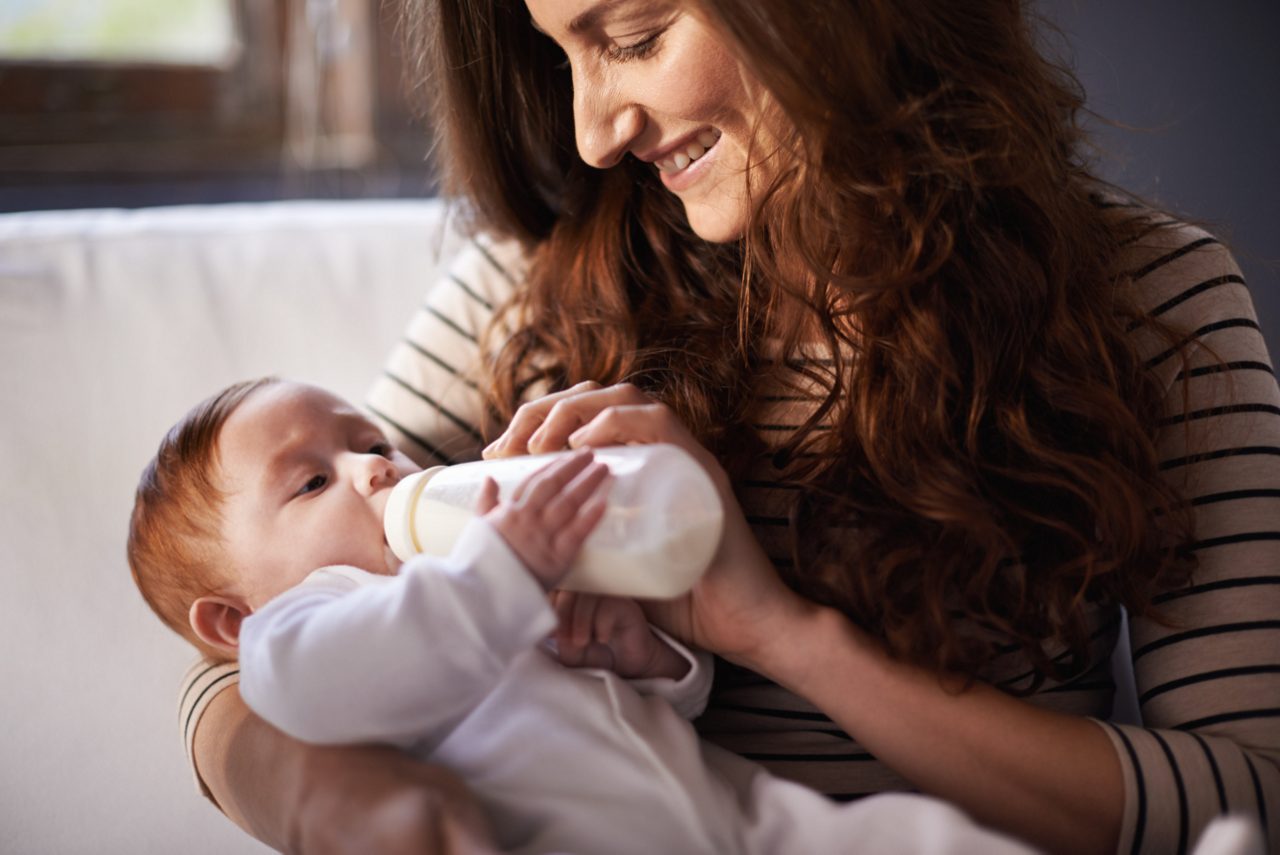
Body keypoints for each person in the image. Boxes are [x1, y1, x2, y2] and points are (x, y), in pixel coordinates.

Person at [177, 1, 1280, 853]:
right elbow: (244, 621)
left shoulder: (1143, 297)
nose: (593, 132)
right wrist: (343, 798)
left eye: (637, 36)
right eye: (561, 53)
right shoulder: (533, 286)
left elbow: (1246, 788)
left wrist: (777, 633)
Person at [130, 377, 1033, 855]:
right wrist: (497, 576)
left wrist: (645, 661)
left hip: (737, 825)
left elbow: (651, 721)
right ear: (230, 620)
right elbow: (335, 682)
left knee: (906, 837)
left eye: (370, 442)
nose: (375, 468)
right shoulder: (302, 629)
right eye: (313, 480)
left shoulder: (472, 567)